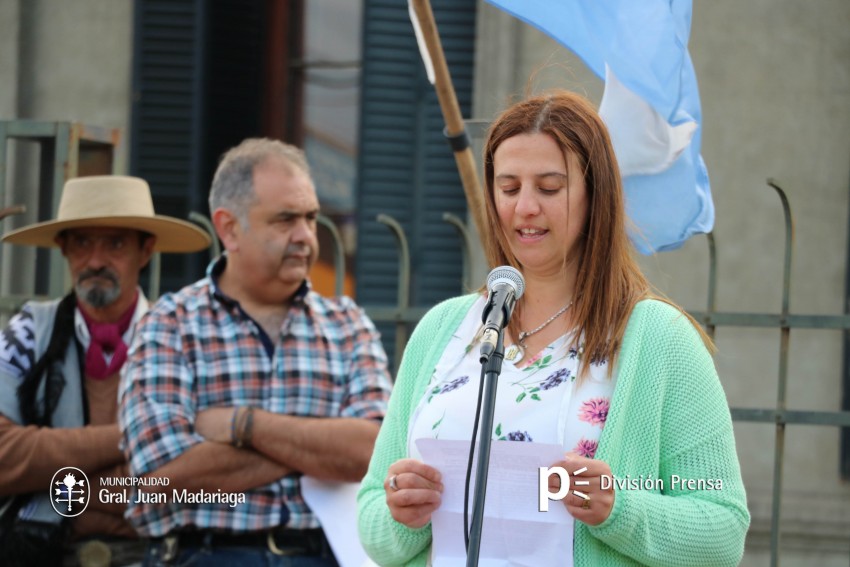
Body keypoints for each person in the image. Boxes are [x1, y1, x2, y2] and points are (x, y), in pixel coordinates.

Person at [357, 91, 751, 566]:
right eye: (508, 188)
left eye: (549, 188)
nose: (525, 207)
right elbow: (372, 515)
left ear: (594, 195)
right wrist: (402, 514)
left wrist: (618, 509)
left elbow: (722, 529)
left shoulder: (660, 339)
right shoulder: (443, 329)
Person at [118, 138, 394, 566]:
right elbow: (162, 479)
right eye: (285, 220)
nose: (306, 236)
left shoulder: (346, 324)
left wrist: (243, 424)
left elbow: (372, 453)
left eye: (310, 217)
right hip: (204, 555)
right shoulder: (170, 324)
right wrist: (316, 450)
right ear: (228, 228)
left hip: (321, 555)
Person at [0, 175, 211, 566]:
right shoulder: (31, 331)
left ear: (145, 250)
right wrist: (139, 438)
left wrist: (47, 476)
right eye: (82, 242)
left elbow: (202, 481)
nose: (95, 261)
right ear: (63, 248)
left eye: (114, 243)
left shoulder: (185, 337)